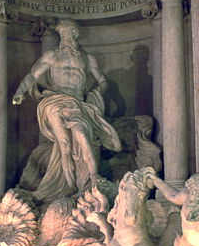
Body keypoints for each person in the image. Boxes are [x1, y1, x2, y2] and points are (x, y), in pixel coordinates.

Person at [12, 18, 122, 202]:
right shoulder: (52, 55)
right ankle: (70, 185)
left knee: (80, 132)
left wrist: (95, 92)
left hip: (78, 103)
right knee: (64, 143)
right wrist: (20, 91)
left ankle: (94, 176)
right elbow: (33, 75)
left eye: (69, 33)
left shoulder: (87, 58)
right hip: (55, 101)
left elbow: (102, 81)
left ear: (75, 35)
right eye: (63, 34)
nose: (66, 37)